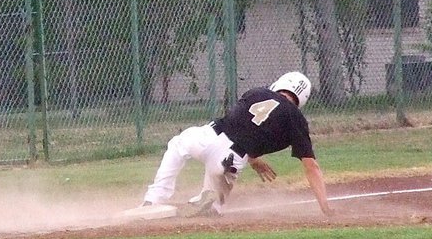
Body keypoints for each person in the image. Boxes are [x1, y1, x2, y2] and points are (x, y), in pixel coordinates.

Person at [142, 71, 333, 217]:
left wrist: (255, 158)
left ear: (279, 84)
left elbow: (246, 123)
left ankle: (154, 199)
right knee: (212, 207)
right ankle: (207, 200)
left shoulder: (256, 92)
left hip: (208, 135)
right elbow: (311, 166)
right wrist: (324, 205)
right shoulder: (296, 118)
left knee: (177, 145)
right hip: (230, 159)